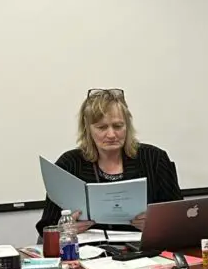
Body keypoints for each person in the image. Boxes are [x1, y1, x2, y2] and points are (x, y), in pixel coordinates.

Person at [36, 88, 182, 236]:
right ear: (88, 129)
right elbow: (47, 227)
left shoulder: (154, 158)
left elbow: (180, 218)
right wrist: (64, 230)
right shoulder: (69, 164)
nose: (111, 134)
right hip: (89, 254)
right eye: (102, 127)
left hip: (146, 252)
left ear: (127, 126)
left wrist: (157, 225)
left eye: (118, 126)